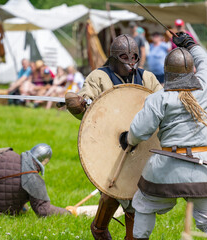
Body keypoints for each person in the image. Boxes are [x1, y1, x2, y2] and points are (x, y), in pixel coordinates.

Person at [121, 32, 207, 240]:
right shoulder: (206, 86)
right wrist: (191, 44)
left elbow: (138, 131)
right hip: (204, 167)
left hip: (166, 168)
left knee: (144, 205)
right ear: (191, 69)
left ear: (166, 71)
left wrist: (128, 140)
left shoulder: (159, 98)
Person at [64, 34, 162, 240]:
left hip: (141, 146)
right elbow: (88, 105)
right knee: (112, 188)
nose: (130, 62)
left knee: (136, 196)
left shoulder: (148, 79)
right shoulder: (99, 77)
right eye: (124, 57)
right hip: (110, 145)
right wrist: (80, 104)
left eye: (134, 57)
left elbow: (162, 102)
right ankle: (99, 228)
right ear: (114, 58)